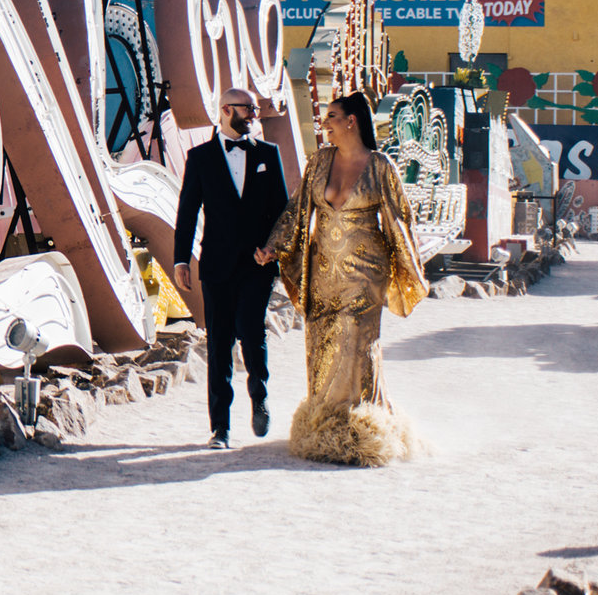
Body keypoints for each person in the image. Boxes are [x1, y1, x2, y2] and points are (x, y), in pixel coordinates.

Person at [260, 91, 426, 466]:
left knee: (354, 343)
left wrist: (409, 269)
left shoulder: (381, 166)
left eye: (332, 116)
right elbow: (298, 208)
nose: (325, 123)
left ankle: (360, 426)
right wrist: (274, 246)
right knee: (321, 344)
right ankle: (324, 423)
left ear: (351, 120)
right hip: (322, 272)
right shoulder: (319, 161)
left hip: (366, 273)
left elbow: (400, 219)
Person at [173, 86, 289, 449]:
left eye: (255, 109)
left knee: (251, 331)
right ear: (226, 110)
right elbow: (187, 212)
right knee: (220, 343)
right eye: (247, 109)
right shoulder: (200, 158)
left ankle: (259, 395)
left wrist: (273, 250)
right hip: (217, 265)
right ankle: (219, 428)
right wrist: (180, 259)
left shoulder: (269, 154)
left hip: (258, 264)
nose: (254, 115)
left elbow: (283, 211)